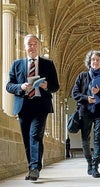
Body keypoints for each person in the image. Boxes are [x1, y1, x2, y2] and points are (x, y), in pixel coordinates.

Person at [6, 34, 60, 181]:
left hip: (41, 106)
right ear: (24, 47)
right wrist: (20, 86)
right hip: (23, 106)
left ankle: (35, 168)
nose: (32, 46)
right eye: (29, 44)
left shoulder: (48, 64)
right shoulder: (17, 64)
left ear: (39, 46)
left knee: (35, 135)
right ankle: (31, 167)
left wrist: (46, 85)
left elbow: (55, 86)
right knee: (26, 139)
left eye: (35, 43)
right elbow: (9, 86)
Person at [72, 50, 100, 178]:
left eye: (98, 60)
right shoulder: (82, 76)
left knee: (98, 138)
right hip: (85, 111)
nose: (95, 62)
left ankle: (95, 166)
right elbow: (75, 93)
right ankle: (89, 163)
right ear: (89, 62)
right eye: (93, 60)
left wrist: (99, 92)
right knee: (85, 139)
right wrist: (86, 98)